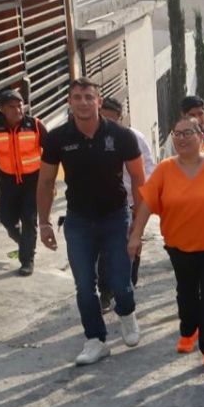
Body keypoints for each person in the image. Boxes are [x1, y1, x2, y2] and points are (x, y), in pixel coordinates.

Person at [36, 77, 146, 365]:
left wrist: (138, 221)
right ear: (70, 102)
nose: (83, 102)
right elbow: (46, 180)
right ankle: (95, 340)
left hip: (115, 217)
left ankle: (127, 314)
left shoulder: (121, 136)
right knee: (85, 285)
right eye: (77, 97)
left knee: (121, 283)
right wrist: (44, 223)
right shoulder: (57, 138)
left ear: (98, 101)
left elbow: (137, 177)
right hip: (78, 221)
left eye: (88, 97)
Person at [127, 116, 204, 371]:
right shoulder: (164, 169)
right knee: (187, 292)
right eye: (177, 134)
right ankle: (188, 330)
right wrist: (136, 235)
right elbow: (147, 203)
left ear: (201, 136)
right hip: (179, 244)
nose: (181, 139)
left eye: (188, 133)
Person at [0, 89, 47, 276]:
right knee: (6, 218)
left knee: (29, 219)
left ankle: (27, 260)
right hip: (8, 181)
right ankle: (24, 241)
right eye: (12, 107)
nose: (18, 110)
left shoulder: (35, 125)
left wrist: (49, 184)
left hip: (33, 180)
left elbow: (51, 155)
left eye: (20, 105)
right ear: (2, 109)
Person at [97, 97, 156, 312]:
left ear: (120, 119)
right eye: (104, 118)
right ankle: (105, 292)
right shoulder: (92, 138)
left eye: (113, 119)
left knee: (132, 242)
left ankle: (129, 281)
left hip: (133, 202)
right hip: (106, 203)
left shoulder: (133, 138)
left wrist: (142, 202)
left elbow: (148, 169)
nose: (108, 123)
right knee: (105, 248)